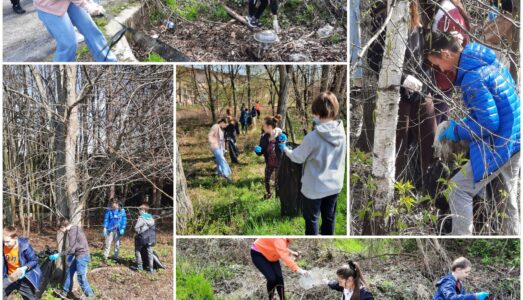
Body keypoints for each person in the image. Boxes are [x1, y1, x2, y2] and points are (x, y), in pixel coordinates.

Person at [426, 31, 520, 235]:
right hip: (515, 137)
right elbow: (488, 113)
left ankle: (461, 237)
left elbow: (489, 123)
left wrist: (456, 131)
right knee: (506, 200)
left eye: (437, 64)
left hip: (499, 143)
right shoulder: (482, 60)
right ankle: (513, 236)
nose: (440, 69)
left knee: (458, 189)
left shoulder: (472, 77)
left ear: (446, 54)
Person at [280, 92, 346, 235]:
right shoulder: (341, 132)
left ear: (318, 112)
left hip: (314, 188)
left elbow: (297, 157)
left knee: (312, 220)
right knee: (329, 218)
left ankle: (315, 240)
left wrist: (285, 149)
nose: (313, 116)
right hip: (335, 185)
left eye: (314, 113)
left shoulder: (312, 137)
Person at [35, 0, 117, 62]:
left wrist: (91, 3)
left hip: (70, 2)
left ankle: (109, 62)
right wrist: (86, 4)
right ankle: (62, 72)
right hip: (49, 4)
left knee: (91, 31)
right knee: (68, 44)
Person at [430, 0, 471, 124]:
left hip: (441, 79)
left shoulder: (448, 15)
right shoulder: (450, 11)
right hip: (444, 78)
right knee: (440, 123)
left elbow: (449, 52)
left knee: (435, 127)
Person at [49, 217, 95, 299]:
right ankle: (64, 292)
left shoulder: (71, 232)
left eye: (60, 229)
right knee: (69, 272)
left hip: (82, 257)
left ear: (63, 227)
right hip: (79, 255)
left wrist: (59, 255)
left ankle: (91, 296)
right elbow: (77, 245)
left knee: (81, 278)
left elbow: (71, 249)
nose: (61, 231)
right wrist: (72, 255)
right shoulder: (76, 228)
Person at [3, 226, 41, 300]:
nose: (5, 244)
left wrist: (24, 268)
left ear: (15, 238)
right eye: (4, 241)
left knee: (30, 298)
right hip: (9, 277)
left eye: (7, 242)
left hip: (23, 278)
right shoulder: (3, 245)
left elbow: (34, 260)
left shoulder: (25, 246)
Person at [255, 115, 284, 199]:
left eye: (264, 125)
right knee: (267, 180)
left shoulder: (281, 136)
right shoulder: (264, 138)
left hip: (279, 163)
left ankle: (278, 198)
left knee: (278, 182)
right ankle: (269, 195)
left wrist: (284, 145)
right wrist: (258, 151)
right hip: (269, 163)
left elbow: (286, 148)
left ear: (269, 127)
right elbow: (261, 151)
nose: (262, 127)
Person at [131, 203, 156, 273]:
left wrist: (138, 232)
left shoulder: (141, 218)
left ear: (143, 210)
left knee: (137, 251)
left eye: (140, 210)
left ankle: (140, 267)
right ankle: (151, 269)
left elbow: (136, 227)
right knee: (150, 253)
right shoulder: (151, 218)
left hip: (142, 238)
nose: (139, 212)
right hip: (150, 238)